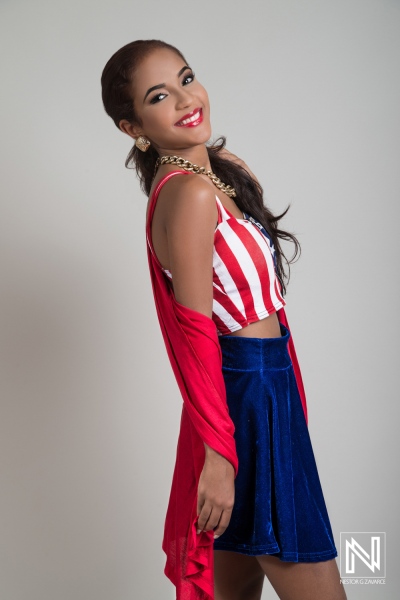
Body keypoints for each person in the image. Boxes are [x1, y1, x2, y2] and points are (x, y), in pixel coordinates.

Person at [101, 39, 347, 600]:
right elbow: (195, 334)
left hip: (269, 389)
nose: (187, 99)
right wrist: (218, 455)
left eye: (187, 78)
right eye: (160, 95)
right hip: (244, 399)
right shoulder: (187, 194)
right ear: (132, 126)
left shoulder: (223, 172)